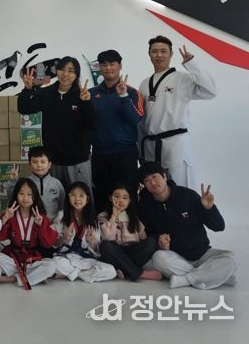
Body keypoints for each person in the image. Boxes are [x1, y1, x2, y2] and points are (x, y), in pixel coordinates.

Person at [137, 162, 238, 289]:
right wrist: (162, 242)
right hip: (175, 257)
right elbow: (151, 234)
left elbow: (219, 227)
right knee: (158, 258)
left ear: (164, 176)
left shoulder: (187, 196)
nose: (152, 182)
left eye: (155, 176)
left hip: (202, 254)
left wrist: (209, 208)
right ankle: (216, 276)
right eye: (147, 180)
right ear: (144, 185)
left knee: (232, 258)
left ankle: (185, 279)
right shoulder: (145, 206)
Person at [138, 36, 216, 188]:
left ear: (171, 54)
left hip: (175, 145)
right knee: (155, 191)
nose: (159, 55)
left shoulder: (182, 79)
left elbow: (210, 91)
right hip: (151, 147)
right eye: (155, 51)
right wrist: (140, 150)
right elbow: (141, 119)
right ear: (149, 54)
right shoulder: (144, 83)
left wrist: (192, 65)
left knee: (181, 190)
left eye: (163, 51)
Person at [17, 57, 96, 192]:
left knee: (80, 200)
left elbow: (93, 124)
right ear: (56, 71)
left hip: (78, 161)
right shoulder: (46, 93)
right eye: (62, 69)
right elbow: (24, 108)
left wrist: (87, 102)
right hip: (53, 161)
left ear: (76, 75)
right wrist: (27, 89)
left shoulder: (82, 95)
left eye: (70, 71)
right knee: (54, 200)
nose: (65, 74)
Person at [89, 50, 143, 206]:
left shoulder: (132, 92)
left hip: (125, 155)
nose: (108, 68)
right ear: (99, 67)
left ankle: (130, 223)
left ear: (120, 66)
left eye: (112, 64)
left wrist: (123, 97)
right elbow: (85, 124)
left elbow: (136, 119)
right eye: (104, 65)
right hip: (99, 155)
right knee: (101, 199)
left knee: (127, 199)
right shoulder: (91, 93)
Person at [0, 178, 58, 289]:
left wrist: (41, 225)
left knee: (51, 266)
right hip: (14, 256)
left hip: (33, 258)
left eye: (29, 194)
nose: (25, 198)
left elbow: (48, 243)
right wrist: (5, 219)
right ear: (16, 195)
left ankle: (14, 278)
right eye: (21, 193)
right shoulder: (10, 214)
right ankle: (36, 277)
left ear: (35, 196)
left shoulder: (40, 216)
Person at [52, 182, 116, 283]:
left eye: (81, 195)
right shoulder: (62, 215)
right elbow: (54, 243)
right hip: (66, 258)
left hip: (85, 259)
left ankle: (73, 274)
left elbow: (96, 251)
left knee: (111, 271)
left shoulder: (93, 219)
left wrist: (92, 242)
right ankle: (83, 274)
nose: (77, 199)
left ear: (88, 199)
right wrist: (64, 238)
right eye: (73, 195)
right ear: (68, 198)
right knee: (55, 263)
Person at [98, 185, 160, 281]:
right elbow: (108, 237)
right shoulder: (103, 216)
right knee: (105, 245)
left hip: (132, 250)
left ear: (129, 201)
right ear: (110, 198)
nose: (120, 200)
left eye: (125, 198)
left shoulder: (134, 219)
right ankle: (138, 273)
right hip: (116, 250)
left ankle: (123, 269)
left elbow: (143, 239)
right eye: (117, 196)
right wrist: (114, 216)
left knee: (151, 242)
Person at [3, 146, 64, 221]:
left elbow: (62, 207)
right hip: (30, 224)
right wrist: (13, 181)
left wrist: (57, 223)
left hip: (52, 225)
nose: (39, 165)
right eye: (35, 162)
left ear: (49, 164)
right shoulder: (25, 182)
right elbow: (12, 199)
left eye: (42, 162)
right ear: (29, 164)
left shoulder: (57, 183)